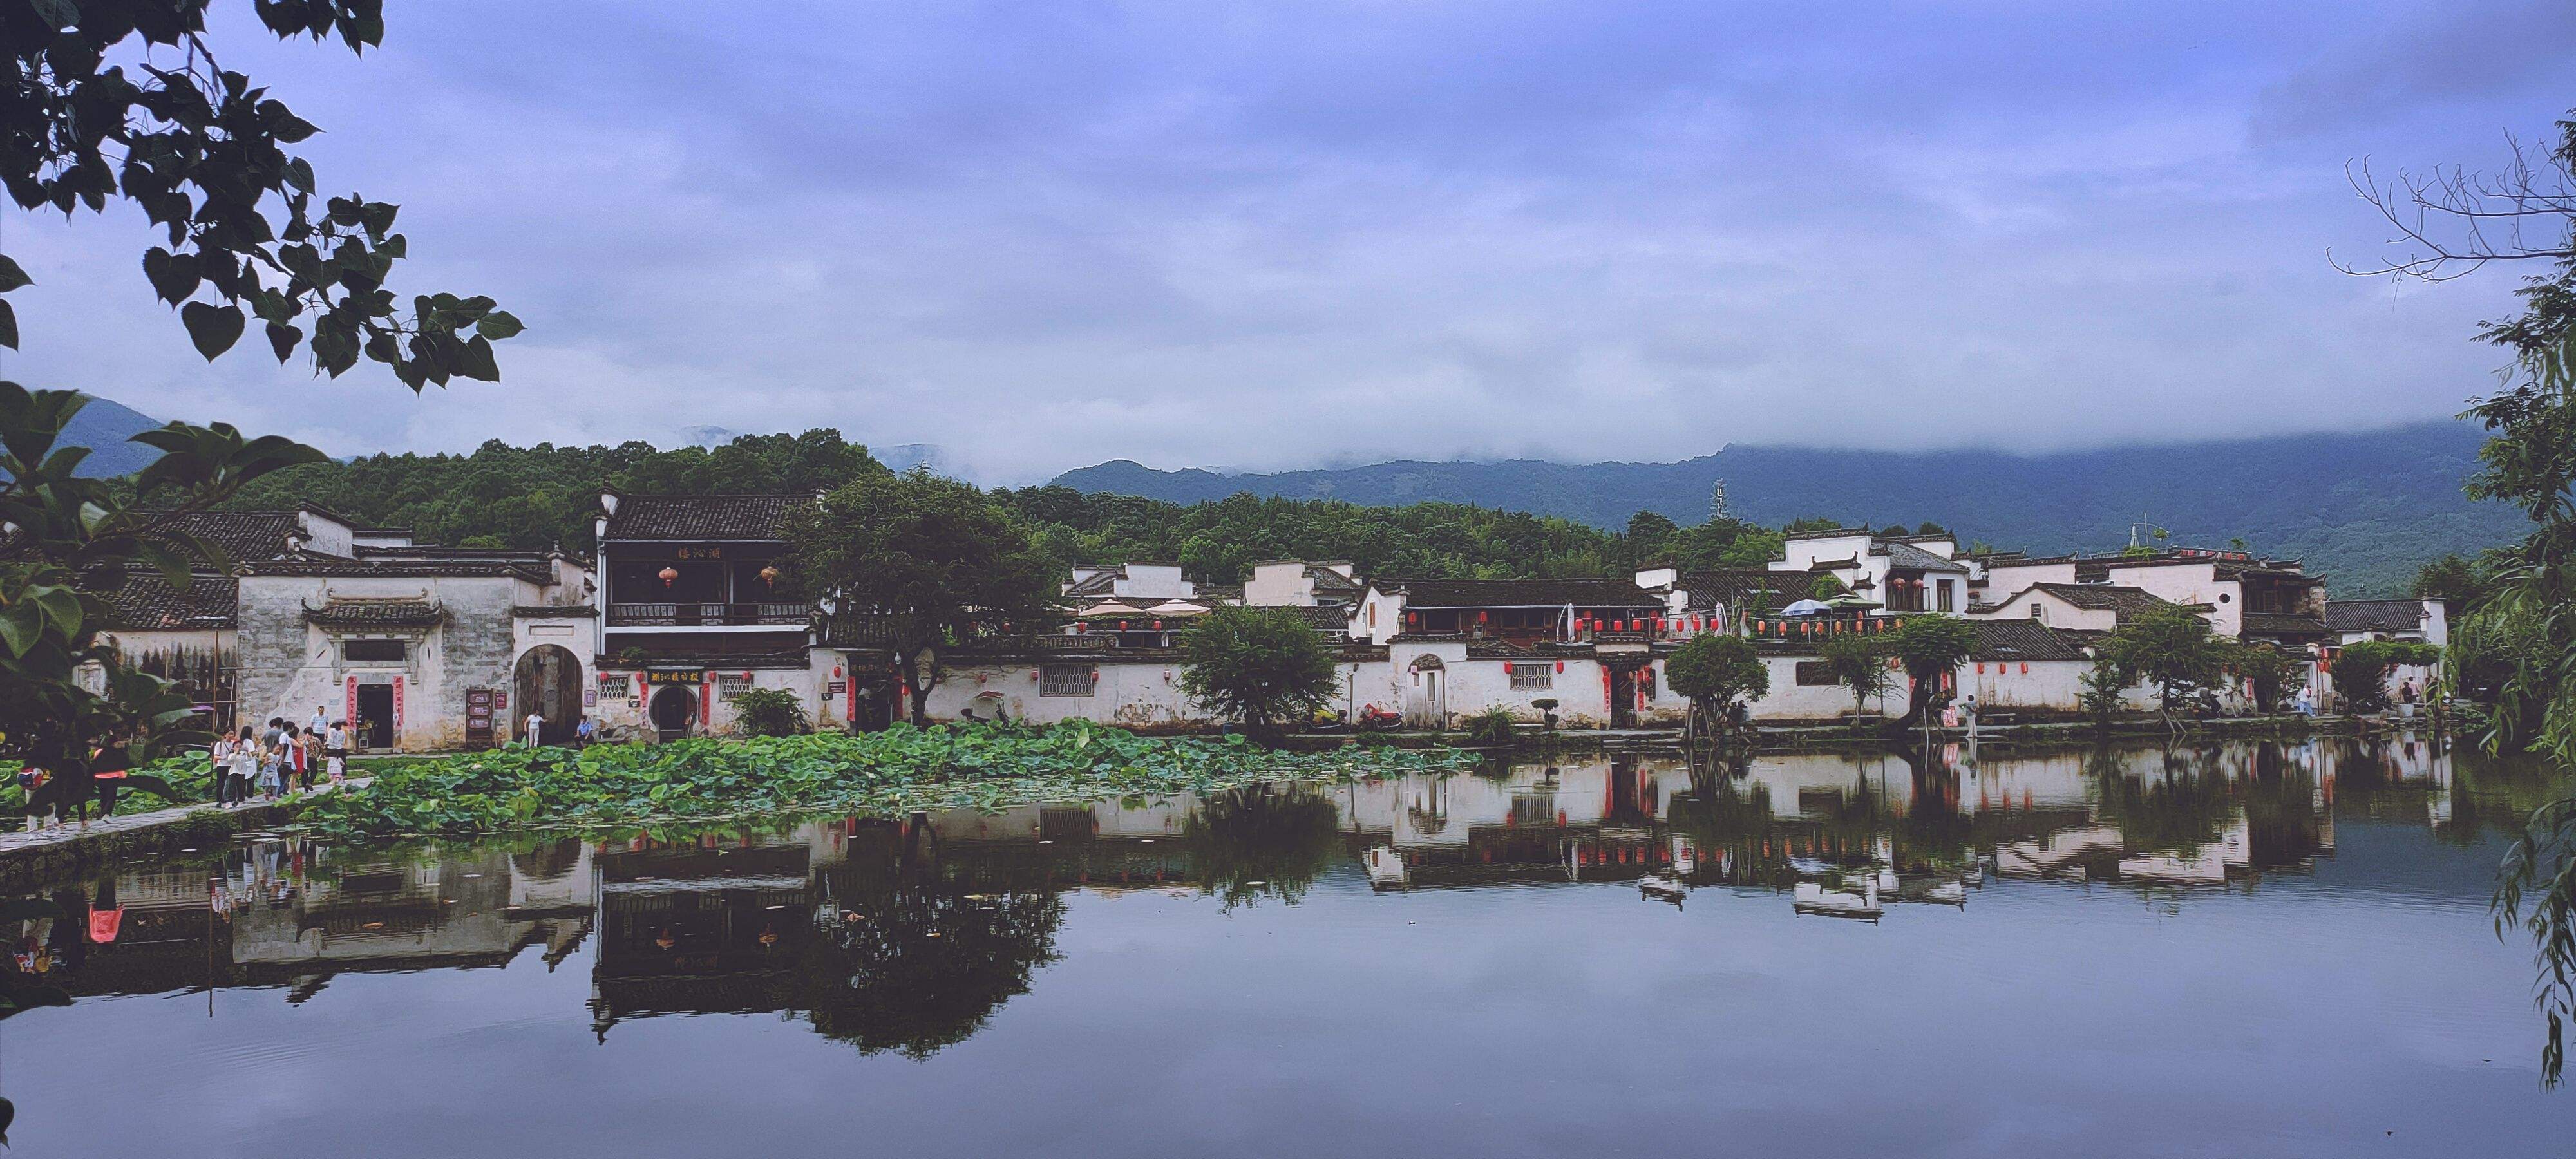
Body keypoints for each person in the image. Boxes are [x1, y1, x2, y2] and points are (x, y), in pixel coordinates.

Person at [325, 720, 349, 784]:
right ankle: (341, 776)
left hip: (332, 748)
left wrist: (326, 745)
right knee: (341, 762)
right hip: (340, 748)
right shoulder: (342, 732)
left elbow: (330, 739)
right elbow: (343, 741)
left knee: (332, 762)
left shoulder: (332, 731)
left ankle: (332, 777)